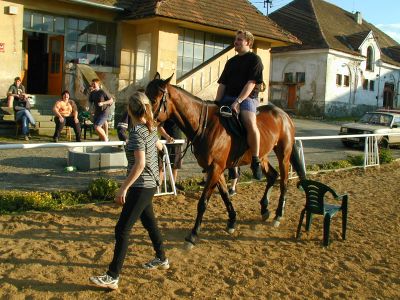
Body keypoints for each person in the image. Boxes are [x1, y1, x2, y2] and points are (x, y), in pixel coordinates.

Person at [90, 91, 169, 290]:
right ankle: (161, 258)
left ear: (129, 109)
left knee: (122, 229)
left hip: (141, 186)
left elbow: (140, 164)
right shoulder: (151, 128)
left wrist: (123, 188)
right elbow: (160, 146)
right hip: (149, 185)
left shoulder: (137, 132)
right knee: (150, 223)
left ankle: (113, 276)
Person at [215, 30, 264, 180]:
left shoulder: (255, 60)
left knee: (249, 123)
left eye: (239, 40)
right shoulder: (231, 62)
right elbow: (222, 84)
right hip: (227, 97)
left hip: (247, 98)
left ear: (248, 42)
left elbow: (251, 83)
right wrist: (216, 103)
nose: (235, 42)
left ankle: (255, 160)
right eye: (236, 39)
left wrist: (238, 101)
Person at [158, 119, 183, 189]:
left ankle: (172, 187)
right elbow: (159, 127)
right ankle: (158, 187)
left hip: (177, 143)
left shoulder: (178, 115)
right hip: (165, 144)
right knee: (161, 167)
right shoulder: (165, 115)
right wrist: (167, 137)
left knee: (175, 167)